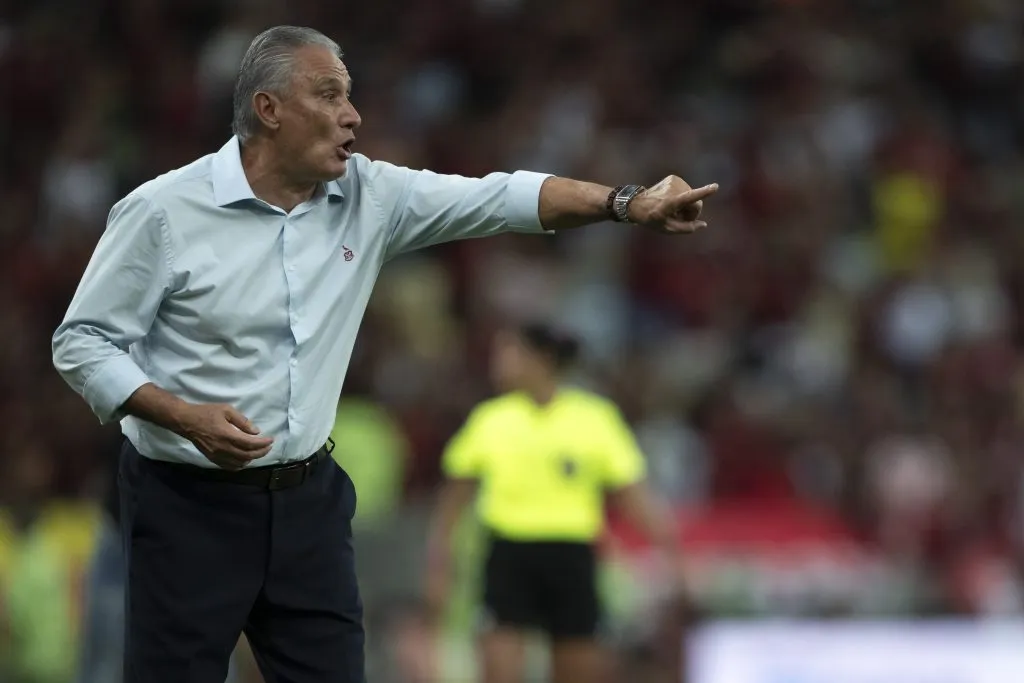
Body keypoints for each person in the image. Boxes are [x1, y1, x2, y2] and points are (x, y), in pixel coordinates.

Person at [51, 24, 716, 683]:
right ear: (269, 109)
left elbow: (502, 196)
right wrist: (183, 415)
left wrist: (626, 202)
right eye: (331, 95)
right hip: (186, 503)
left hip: (307, 502)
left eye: (350, 96)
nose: (353, 115)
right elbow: (81, 341)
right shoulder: (163, 211)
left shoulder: (371, 196)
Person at [425, 324, 684, 683]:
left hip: (571, 557)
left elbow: (632, 495)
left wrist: (671, 550)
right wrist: (440, 561)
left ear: (542, 359)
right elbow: (455, 497)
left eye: (510, 353)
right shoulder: (491, 419)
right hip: (508, 554)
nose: (499, 363)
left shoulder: (594, 419)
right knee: (499, 670)